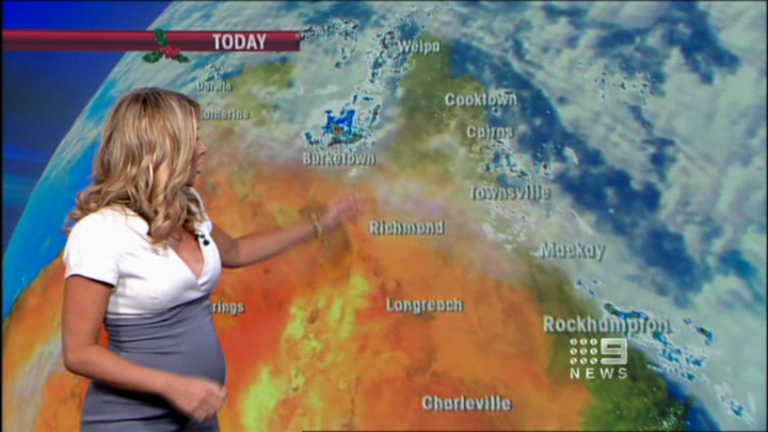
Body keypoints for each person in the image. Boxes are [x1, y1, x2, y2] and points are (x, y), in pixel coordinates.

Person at [61, 87, 360, 432]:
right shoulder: (101, 232)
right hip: (129, 422)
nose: (203, 148)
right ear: (161, 148)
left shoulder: (188, 206)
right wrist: (172, 387)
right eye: (194, 139)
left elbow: (236, 251)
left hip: (198, 415)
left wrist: (321, 225)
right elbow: (79, 352)